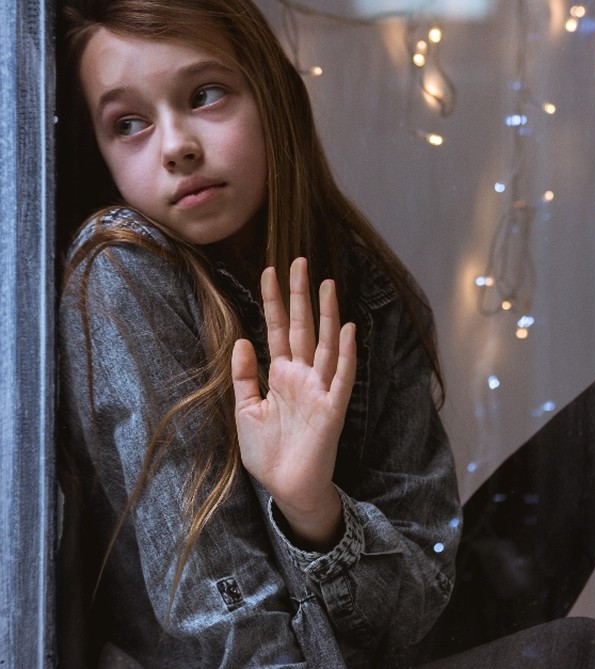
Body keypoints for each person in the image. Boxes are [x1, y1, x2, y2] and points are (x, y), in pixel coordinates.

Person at [55, 0, 463, 665]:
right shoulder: (120, 276)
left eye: (205, 94)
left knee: (578, 646)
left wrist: (315, 511)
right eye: (128, 123)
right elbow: (217, 618)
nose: (176, 145)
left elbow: (417, 603)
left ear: (273, 94)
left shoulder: (371, 292)